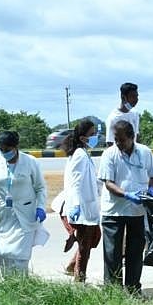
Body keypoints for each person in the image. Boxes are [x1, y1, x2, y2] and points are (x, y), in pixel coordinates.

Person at [99, 119, 153, 293]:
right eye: (116, 139)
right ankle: (113, 292)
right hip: (113, 211)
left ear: (132, 137)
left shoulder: (145, 153)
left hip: (137, 212)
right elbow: (108, 183)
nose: (118, 143)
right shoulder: (109, 154)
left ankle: (133, 289)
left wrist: (150, 190)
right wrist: (126, 195)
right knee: (112, 254)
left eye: (122, 140)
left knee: (135, 252)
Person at [0, 131, 48, 276]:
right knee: (4, 254)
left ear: (15, 147)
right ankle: (8, 290)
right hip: (2, 217)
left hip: (24, 216)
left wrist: (41, 207)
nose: (5, 153)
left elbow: (40, 188)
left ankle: (21, 287)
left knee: (20, 257)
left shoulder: (30, 162)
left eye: (8, 149)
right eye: (2, 149)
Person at [60, 119, 102, 282]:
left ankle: (72, 267)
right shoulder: (79, 155)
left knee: (90, 240)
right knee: (85, 246)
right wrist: (76, 205)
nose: (96, 137)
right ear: (84, 138)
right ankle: (79, 279)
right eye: (93, 134)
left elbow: (89, 180)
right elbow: (75, 182)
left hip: (87, 206)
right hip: (81, 208)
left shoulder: (83, 153)